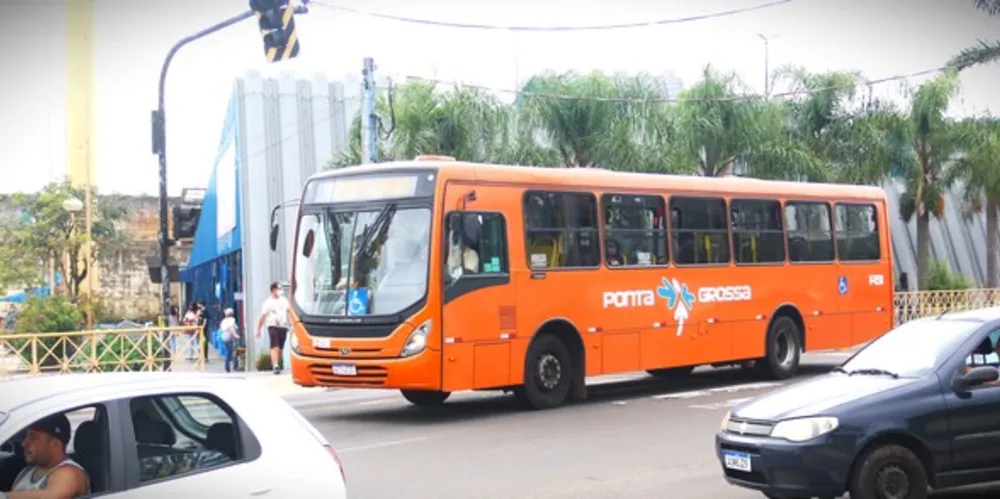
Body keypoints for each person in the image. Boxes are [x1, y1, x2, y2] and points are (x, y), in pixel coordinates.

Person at [2, 414, 89, 499]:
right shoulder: (26, 471)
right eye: (26, 436)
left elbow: (52, 496)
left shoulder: (69, 473)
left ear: (55, 444)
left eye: (33, 437)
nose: (24, 443)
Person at [256, 282, 291, 375]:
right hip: (272, 325)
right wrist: (258, 329)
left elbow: (290, 311)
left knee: (280, 348)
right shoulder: (267, 303)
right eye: (279, 289)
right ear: (273, 290)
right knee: (274, 345)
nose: (280, 291)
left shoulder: (284, 300)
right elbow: (262, 316)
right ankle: (275, 365)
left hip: (282, 326)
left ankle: (277, 362)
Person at [219, 308, 240, 373]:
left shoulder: (224, 320)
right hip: (229, 337)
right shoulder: (231, 320)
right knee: (231, 352)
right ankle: (230, 367)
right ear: (232, 313)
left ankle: (232, 366)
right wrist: (235, 335)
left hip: (224, 337)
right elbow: (231, 328)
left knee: (230, 351)